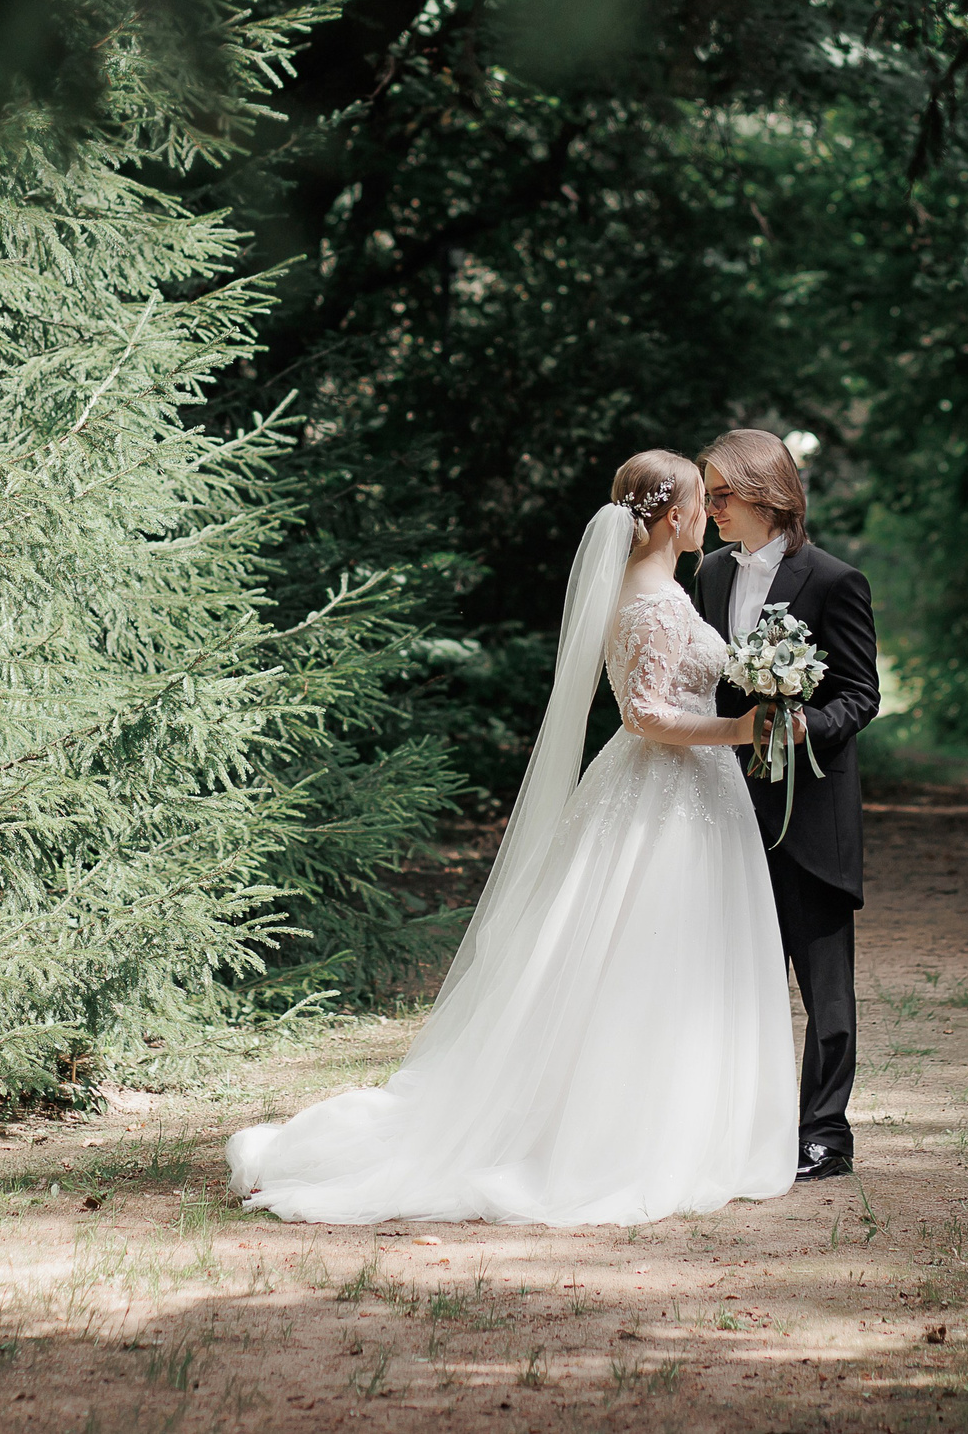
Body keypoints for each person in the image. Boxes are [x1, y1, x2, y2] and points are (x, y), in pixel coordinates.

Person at [225, 451, 797, 1225]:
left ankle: (671, 1119)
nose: (707, 515)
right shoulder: (657, 602)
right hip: (665, 795)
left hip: (678, 792)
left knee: (652, 955)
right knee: (649, 952)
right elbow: (645, 715)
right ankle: (633, 1133)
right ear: (673, 517)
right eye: (701, 503)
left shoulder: (652, 589)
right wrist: (741, 727)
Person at [693, 429, 881, 1182]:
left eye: (722, 495)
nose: (711, 509)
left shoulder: (835, 580)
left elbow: (861, 694)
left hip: (813, 810)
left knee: (826, 988)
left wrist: (807, 725)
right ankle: (752, 1126)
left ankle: (826, 1134)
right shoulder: (710, 574)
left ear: (765, 494)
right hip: (729, 805)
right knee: (744, 978)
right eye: (707, 496)